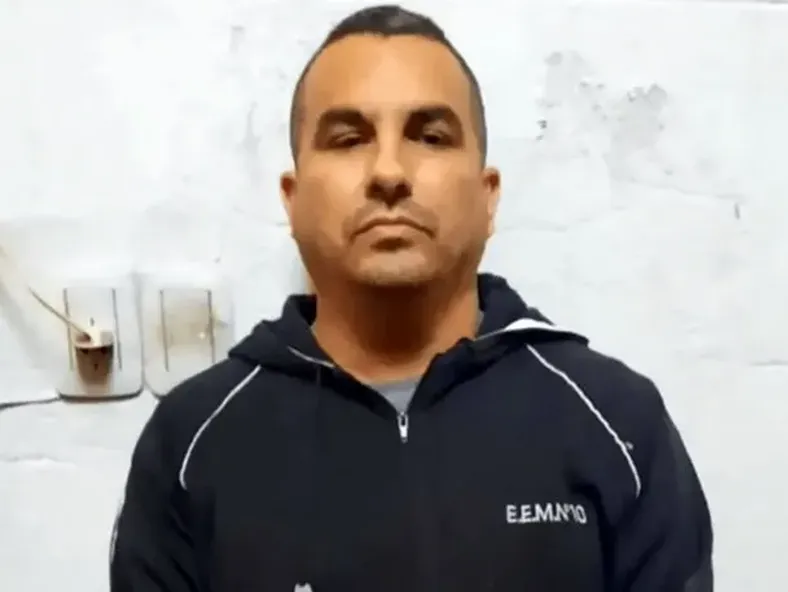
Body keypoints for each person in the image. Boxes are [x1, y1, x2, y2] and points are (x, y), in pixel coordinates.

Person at [109, 5, 713, 591]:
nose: (389, 172)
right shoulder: (190, 444)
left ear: (487, 196)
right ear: (293, 200)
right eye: (349, 139)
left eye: (430, 136)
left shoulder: (617, 423)